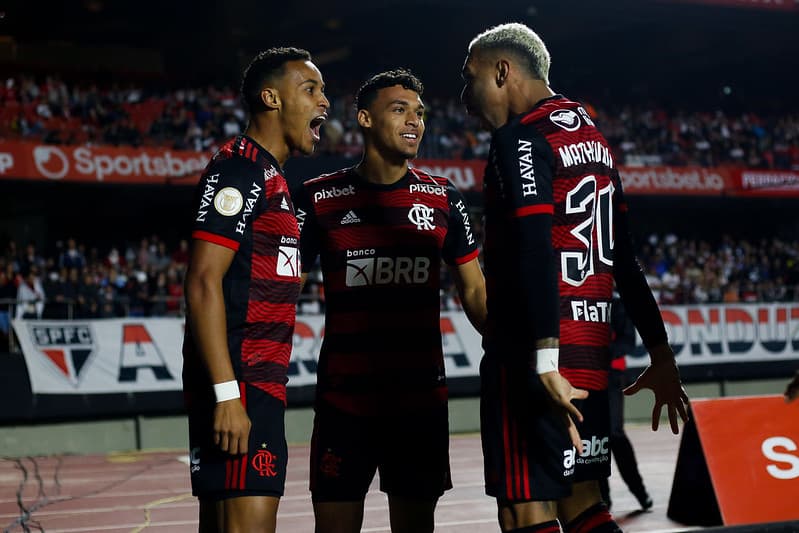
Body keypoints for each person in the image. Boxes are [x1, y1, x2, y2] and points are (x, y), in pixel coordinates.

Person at [460, 23, 690, 533]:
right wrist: (661, 354)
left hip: (535, 361)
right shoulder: (592, 134)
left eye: (469, 78)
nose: (464, 97)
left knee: (524, 508)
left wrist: (543, 358)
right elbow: (624, 259)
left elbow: (535, 248)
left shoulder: (518, 139)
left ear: (502, 71)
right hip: (588, 358)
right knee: (583, 504)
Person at [293, 69, 487, 533]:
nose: (414, 121)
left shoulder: (443, 198)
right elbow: (283, 291)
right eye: (400, 110)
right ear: (364, 118)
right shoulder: (317, 198)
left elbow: (476, 290)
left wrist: (522, 349)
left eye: (419, 112)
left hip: (419, 402)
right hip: (344, 403)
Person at [182, 47, 329, 533]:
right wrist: (227, 395)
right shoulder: (239, 169)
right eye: (310, 90)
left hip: (259, 384)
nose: (324, 102)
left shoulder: (275, 180)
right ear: (271, 97)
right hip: (240, 384)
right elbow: (203, 279)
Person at [598, 294, 652, 511]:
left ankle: (639, 490)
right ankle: (602, 500)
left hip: (610, 374)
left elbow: (627, 340)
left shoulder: (616, 304)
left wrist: (600, 353)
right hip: (581, 373)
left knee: (613, 433)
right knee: (592, 438)